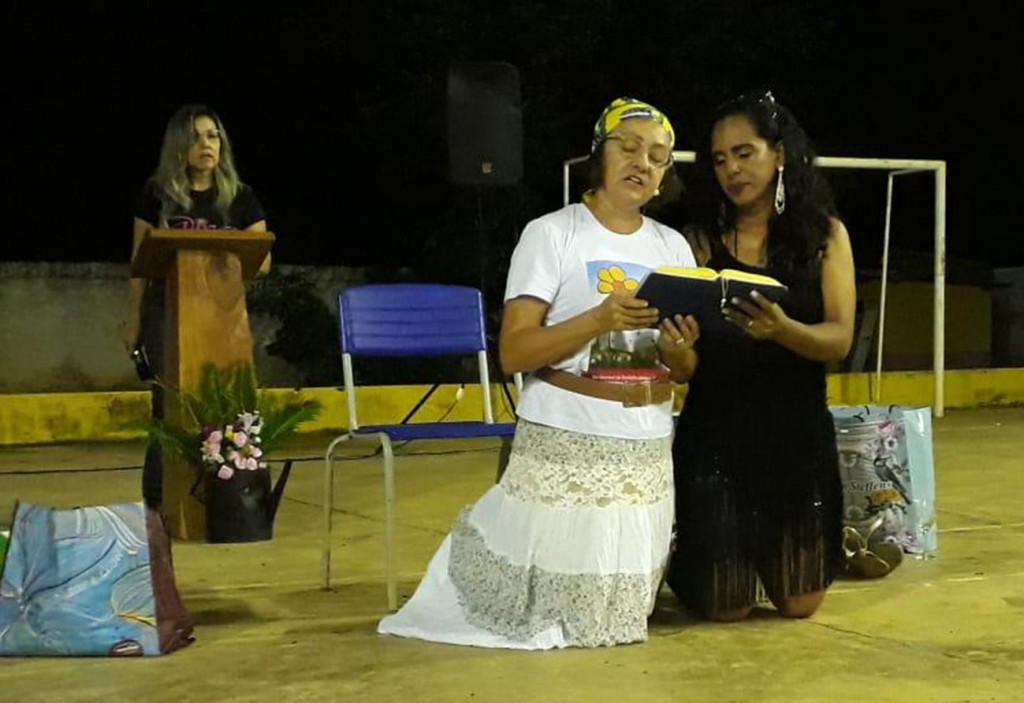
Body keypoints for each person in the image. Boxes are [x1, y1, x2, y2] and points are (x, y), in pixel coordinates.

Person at [378, 98, 699, 648]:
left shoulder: (671, 246)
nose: (641, 163)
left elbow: (686, 369)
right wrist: (597, 319)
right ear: (598, 155)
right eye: (627, 147)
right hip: (569, 429)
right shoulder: (552, 233)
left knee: (611, 624)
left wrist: (680, 348)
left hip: (645, 440)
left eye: (657, 156)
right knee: (555, 617)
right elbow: (515, 352)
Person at [665, 90, 856, 621]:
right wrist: (675, 353)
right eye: (719, 159)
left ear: (780, 154)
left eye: (744, 152)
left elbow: (839, 339)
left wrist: (782, 330)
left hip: (797, 439)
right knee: (725, 608)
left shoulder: (825, 236)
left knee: (800, 603)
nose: (732, 169)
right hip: (715, 438)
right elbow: (686, 367)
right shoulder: (698, 242)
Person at [123, 104, 268, 507]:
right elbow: (139, 261)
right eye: (196, 137)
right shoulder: (156, 194)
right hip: (166, 314)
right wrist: (133, 321)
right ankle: (159, 505)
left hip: (222, 316)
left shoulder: (240, 197)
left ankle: (231, 502)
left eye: (213, 136)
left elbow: (262, 258)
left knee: (229, 408)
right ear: (179, 147)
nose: (206, 144)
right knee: (168, 410)